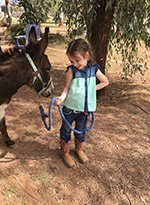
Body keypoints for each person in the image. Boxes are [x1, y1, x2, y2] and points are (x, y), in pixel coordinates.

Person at [55, 38, 109, 168]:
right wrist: (62, 98)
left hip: (84, 109)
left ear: (87, 55)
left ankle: (79, 149)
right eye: (71, 61)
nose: (74, 64)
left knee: (80, 130)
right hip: (69, 109)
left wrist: (91, 90)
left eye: (77, 60)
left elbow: (105, 82)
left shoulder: (94, 70)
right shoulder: (71, 70)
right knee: (66, 130)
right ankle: (65, 152)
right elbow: (67, 87)